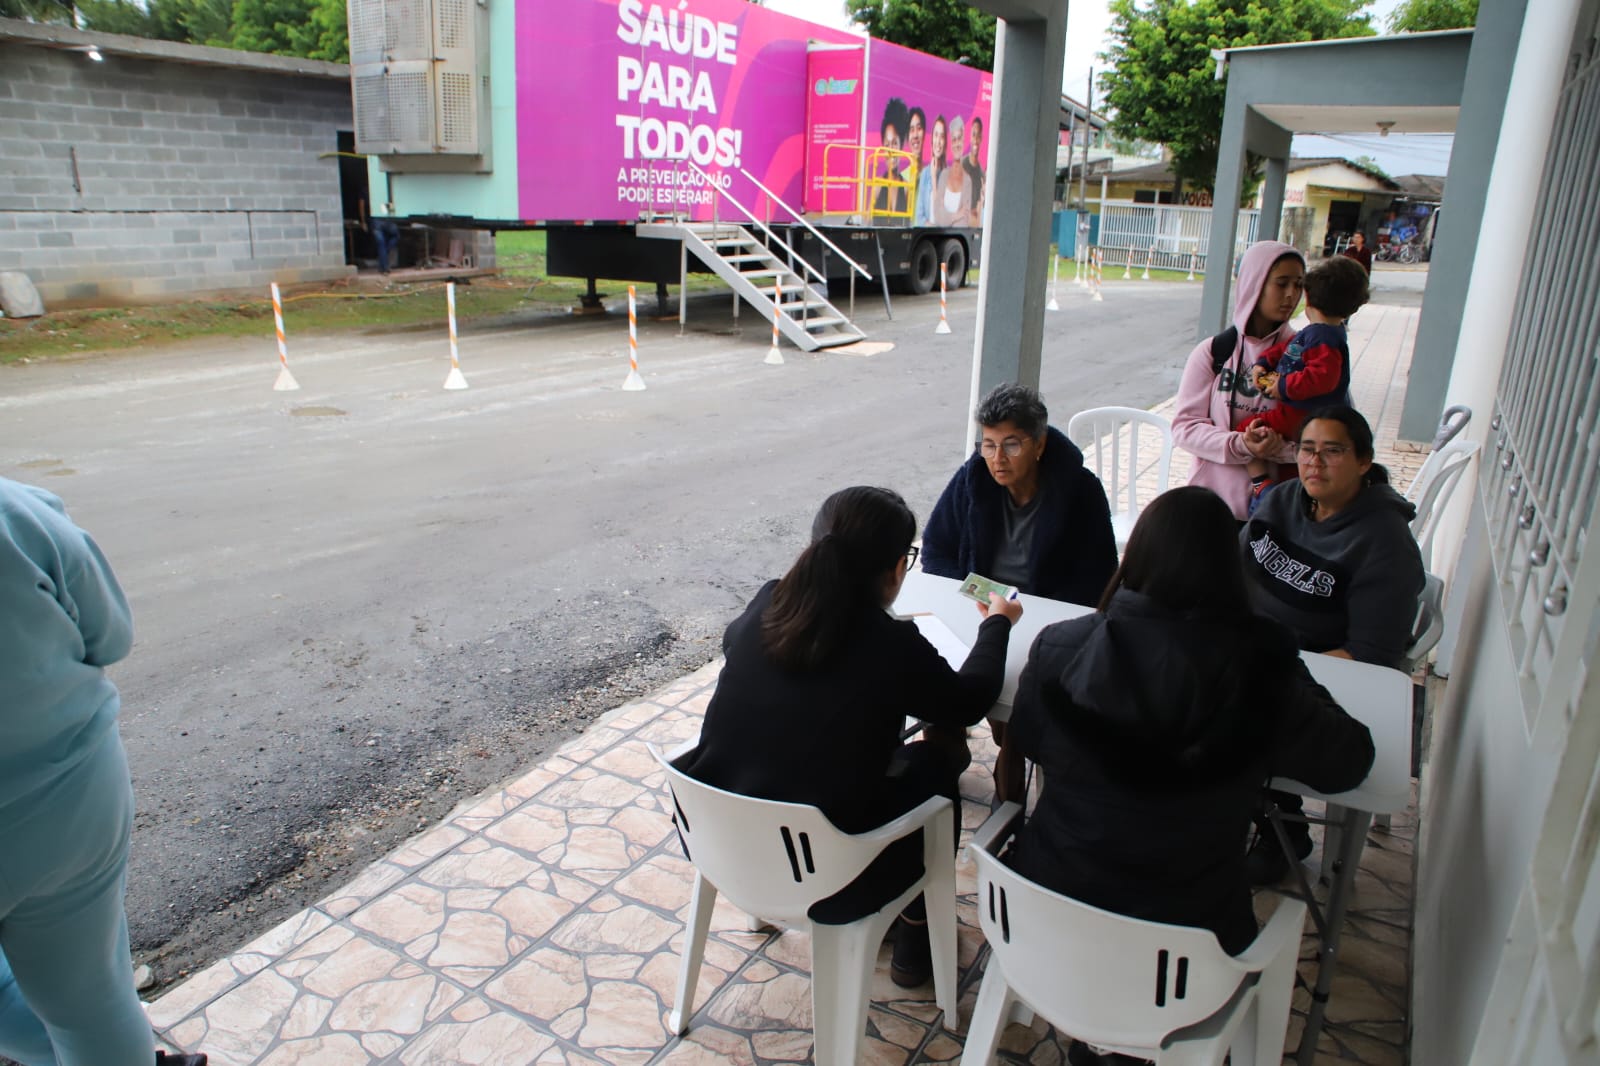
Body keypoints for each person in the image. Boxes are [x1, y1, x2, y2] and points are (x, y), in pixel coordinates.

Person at [1007, 486, 1375, 1066]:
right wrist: (1286, 664)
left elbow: (1025, 741)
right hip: (1187, 944)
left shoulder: (1062, 646)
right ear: (1229, 570)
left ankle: (1098, 1038)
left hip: (1049, 918)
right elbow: (1349, 762)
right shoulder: (1260, 670)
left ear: (1137, 558)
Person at [674, 486, 1022, 989]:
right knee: (935, 762)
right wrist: (997, 626)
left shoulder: (767, 603)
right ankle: (914, 931)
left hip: (720, 842)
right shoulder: (888, 645)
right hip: (828, 871)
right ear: (896, 568)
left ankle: (900, 925)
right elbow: (968, 702)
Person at [0, 478, 208, 1066]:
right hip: (65, 806)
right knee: (91, 1001)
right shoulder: (16, 513)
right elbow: (109, 634)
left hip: (63, 807)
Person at [1239, 406, 1424, 883]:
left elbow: (1371, 655)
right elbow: (1230, 565)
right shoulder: (1282, 500)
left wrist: (1277, 672)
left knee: (1225, 717)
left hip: (1313, 676)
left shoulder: (1384, 544)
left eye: (1333, 451)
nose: (1314, 463)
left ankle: (1284, 829)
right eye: (1306, 449)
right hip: (1247, 649)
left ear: (1364, 462)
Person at [922, 383, 1118, 801]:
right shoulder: (972, 479)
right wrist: (968, 595)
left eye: (1011, 445)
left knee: (1016, 708)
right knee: (937, 683)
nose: (996, 458)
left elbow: (1100, 578)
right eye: (988, 445)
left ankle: (1008, 798)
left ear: (1040, 444)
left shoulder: (1079, 491)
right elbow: (937, 547)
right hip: (977, 612)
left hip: (1045, 624)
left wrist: (1036, 615)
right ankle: (944, 761)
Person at [1171, 240, 1307, 520]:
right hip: (1211, 507)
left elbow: (1331, 435)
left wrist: (1279, 450)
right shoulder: (1213, 352)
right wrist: (1242, 445)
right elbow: (1185, 428)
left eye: (1299, 284)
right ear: (1254, 283)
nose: (1291, 295)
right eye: (1281, 283)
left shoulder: (1308, 356)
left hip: (1281, 510)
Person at [1238, 254, 1369, 510]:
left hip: (1302, 413)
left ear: (1308, 298)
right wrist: (1262, 364)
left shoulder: (1326, 338)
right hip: (1302, 415)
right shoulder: (1315, 332)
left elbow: (1322, 378)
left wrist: (1282, 386)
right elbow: (1287, 349)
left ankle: (1261, 485)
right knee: (1299, 467)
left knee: (1245, 430)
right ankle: (1290, 500)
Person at [930, 115, 970, 227]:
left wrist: (946, 216)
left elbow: (964, 222)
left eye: (959, 138)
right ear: (950, 144)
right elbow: (937, 216)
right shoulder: (944, 175)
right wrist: (956, 215)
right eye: (954, 139)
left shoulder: (968, 181)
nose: (957, 144)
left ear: (964, 140)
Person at [873, 98, 910, 216]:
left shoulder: (907, 187)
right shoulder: (876, 186)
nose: (890, 150)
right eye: (887, 144)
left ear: (901, 145)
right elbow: (867, 222)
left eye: (894, 143)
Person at [914, 115, 946, 226]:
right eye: (936, 135)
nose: (938, 141)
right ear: (932, 139)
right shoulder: (925, 173)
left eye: (942, 136)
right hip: (927, 233)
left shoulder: (948, 175)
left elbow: (942, 217)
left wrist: (933, 178)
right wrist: (930, 228)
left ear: (945, 141)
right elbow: (919, 216)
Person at [962, 116, 985, 226]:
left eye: (978, 136)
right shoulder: (962, 166)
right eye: (973, 135)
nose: (976, 140)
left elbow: (978, 210)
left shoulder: (981, 174)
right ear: (970, 137)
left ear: (981, 139)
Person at [371, 201, 400, 275]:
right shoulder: (387, 196)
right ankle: (384, 265)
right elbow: (392, 212)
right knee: (395, 237)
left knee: (381, 245)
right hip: (386, 221)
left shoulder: (373, 198)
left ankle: (383, 266)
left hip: (377, 221)